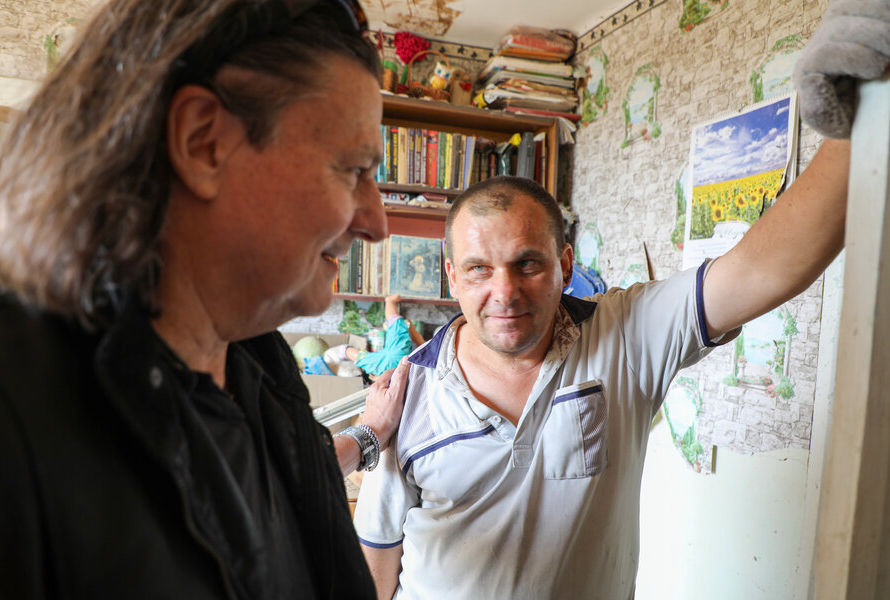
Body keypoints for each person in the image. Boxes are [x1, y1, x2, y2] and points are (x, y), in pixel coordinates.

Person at [352, 3, 890, 597]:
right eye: (479, 269)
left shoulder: (627, 333)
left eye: (527, 263)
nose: (503, 292)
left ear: (563, 265)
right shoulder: (407, 399)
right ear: (452, 277)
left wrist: (864, 110)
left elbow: (763, 269)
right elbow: (377, 565)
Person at [0, 0, 409, 598]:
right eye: (352, 169)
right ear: (202, 140)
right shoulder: (8, 403)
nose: (376, 222)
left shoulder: (262, 370)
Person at [327, 294, 427, 378]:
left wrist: (411, 329)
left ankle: (389, 302)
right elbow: (421, 344)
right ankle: (344, 351)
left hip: (396, 361)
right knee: (362, 358)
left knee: (395, 323)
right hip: (386, 370)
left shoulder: (403, 352)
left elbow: (421, 344)